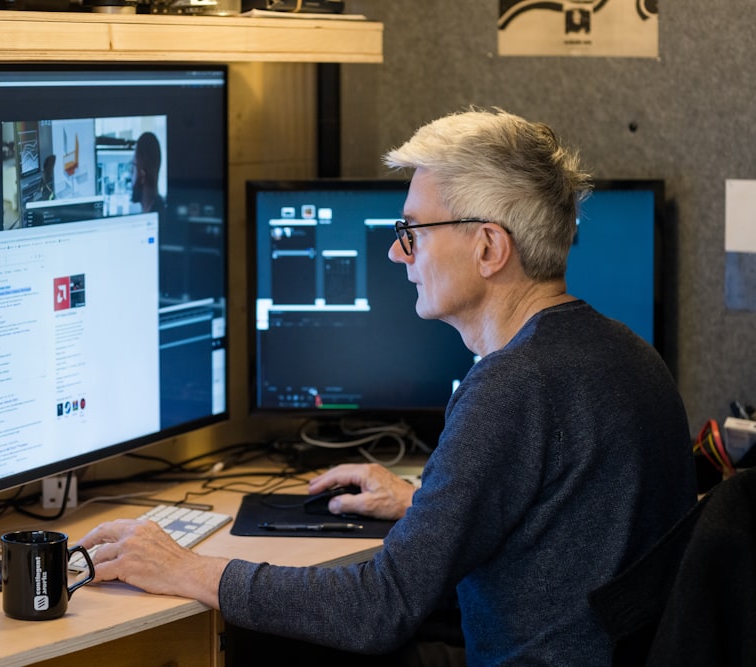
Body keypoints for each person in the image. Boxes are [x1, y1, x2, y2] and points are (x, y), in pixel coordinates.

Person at [78, 108, 698, 665]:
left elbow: (378, 609)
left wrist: (187, 569)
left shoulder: (512, 385)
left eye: (413, 233)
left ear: (488, 248)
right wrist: (424, 504)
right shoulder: (628, 354)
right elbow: (567, 528)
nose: (400, 256)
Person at [131, 131, 166, 225]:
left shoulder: (160, 220)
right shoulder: (158, 208)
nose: (130, 173)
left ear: (142, 175)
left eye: (133, 166)